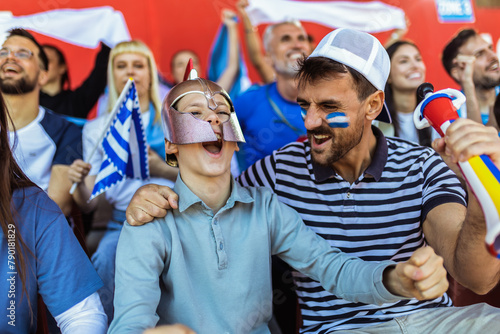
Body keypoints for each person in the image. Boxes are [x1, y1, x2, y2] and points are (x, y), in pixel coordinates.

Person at [126, 28, 500, 333]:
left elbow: (477, 279)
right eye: (304, 105)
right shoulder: (277, 172)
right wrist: (152, 192)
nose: (309, 122)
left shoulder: (421, 166)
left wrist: (481, 186)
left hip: (436, 322)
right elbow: (213, 196)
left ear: (372, 106)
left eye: (329, 107)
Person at [68, 40, 177, 324]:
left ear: (151, 73)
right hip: (123, 223)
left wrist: (161, 169)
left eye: (138, 65)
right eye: (121, 65)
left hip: (180, 218)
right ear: (111, 74)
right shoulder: (98, 128)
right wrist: (79, 184)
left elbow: (208, 176)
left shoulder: (175, 119)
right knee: (103, 260)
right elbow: (89, 204)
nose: (131, 72)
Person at [0, 86, 107, 332]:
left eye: (23, 52)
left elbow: (83, 316)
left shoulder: (33, 207)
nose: (10, 58)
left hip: (45, 227)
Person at [0, 28, 81, 218]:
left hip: (37, 239)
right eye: (3, 52)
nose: (10, 57)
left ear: (43, 76)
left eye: (23, 53)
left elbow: (56, 210)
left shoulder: (66, 132)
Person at [233, 19, 311, 171]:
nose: (297, 45)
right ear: (268, 58)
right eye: (285, 39)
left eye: (301, 38)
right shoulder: (248, 102)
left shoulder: (331, 102)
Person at [377, 40, 438, 146]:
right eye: (404, 61)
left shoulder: (435, 116)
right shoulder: (375, 121)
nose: (415, 66)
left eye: (418, 59)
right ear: (388, 75)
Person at [442, 28, 500, 131]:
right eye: (479, 54)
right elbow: (477, 144)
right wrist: (467, 83)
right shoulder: (449, 112)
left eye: (490, 48)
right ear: (458, 72)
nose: (493, 56)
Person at [40, 42, 110, 124]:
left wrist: (107, 37)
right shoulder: (28, 101)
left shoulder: (77, 102)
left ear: (62, 67)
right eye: (39, 61)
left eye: (47, 60)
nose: (41, 65)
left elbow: (99, 74)